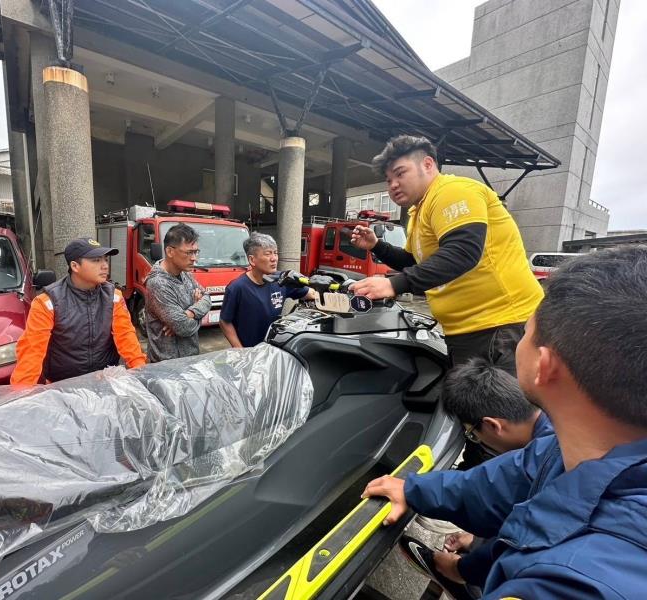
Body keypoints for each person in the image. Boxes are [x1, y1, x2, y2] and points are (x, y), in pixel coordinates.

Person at [363, 246, 647, 599]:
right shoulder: (575, 450)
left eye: (526, 330)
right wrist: (412, 489)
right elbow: (499, 483)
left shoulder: (564, 586)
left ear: (545, 365)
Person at [349, 135, 543, 375]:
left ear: (428, 165)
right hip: (467, 328)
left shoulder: (453, 191)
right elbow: (415, 261)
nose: (393, 185)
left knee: (502, 412)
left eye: (400, 173)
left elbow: (463, 251)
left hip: (500, 325)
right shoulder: (419, 211)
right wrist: (377, 245)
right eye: (388, 180)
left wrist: (394, 284)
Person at [399, 358, 553, 598]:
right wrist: (477, 540)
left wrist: (458, 569)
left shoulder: (543, 460)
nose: (476, 440)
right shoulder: (561, 424)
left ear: (493, 425)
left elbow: (484, 491)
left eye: (472, 434)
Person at [11, 238, 146, 385]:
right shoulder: (47, 302)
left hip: (104, 381)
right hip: (62, 386)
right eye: (96, 260)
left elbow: (127, 337)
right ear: (75, 266)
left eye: (105, 260)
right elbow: (32, 352)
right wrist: (21, 396)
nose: (105, 266)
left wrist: (142, 376)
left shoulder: (113, 296)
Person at [219, 232, 316, 348]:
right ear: (252, 260)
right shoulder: (237, 287)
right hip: (250, 352)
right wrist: (240, 351)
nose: (274, 258)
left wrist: (321, 287)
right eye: (268, 254)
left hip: (274, 349)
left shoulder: (283, 280)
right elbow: (225, 322)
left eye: (275, 253)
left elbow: (311, 294)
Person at [145, 223, 211, 362]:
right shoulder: (158, 283)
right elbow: (184, 327)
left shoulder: (185, 273)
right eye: (188, 253)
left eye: (196, 252)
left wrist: (190, 313)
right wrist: (197, 312)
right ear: (170, 252)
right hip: (167, 365)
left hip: (190, 358)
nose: (194, 258)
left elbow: (207, 298)